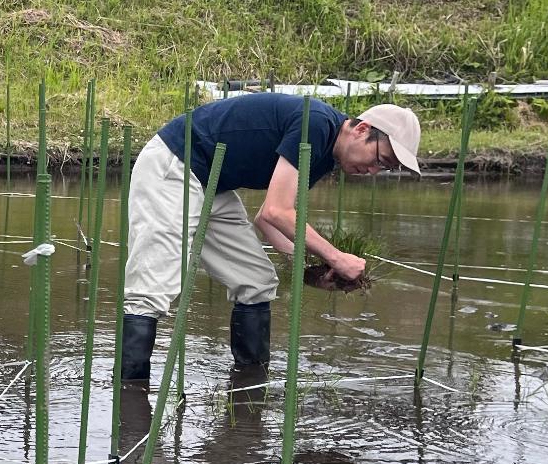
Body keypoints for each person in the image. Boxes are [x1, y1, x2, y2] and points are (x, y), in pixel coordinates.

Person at [122, 92, 422, 379]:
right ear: (362, 129)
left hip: (213, 185)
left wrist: (307, 270)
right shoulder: (315, 124)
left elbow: (267, 218)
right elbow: (279, 212)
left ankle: (249, 391)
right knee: (152, 289)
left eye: (384, 169)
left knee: (256, 282)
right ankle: (131, 397)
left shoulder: (326, 155)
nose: (373, 171)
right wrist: (336, 257)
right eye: (380, 160)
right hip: (175, 163)